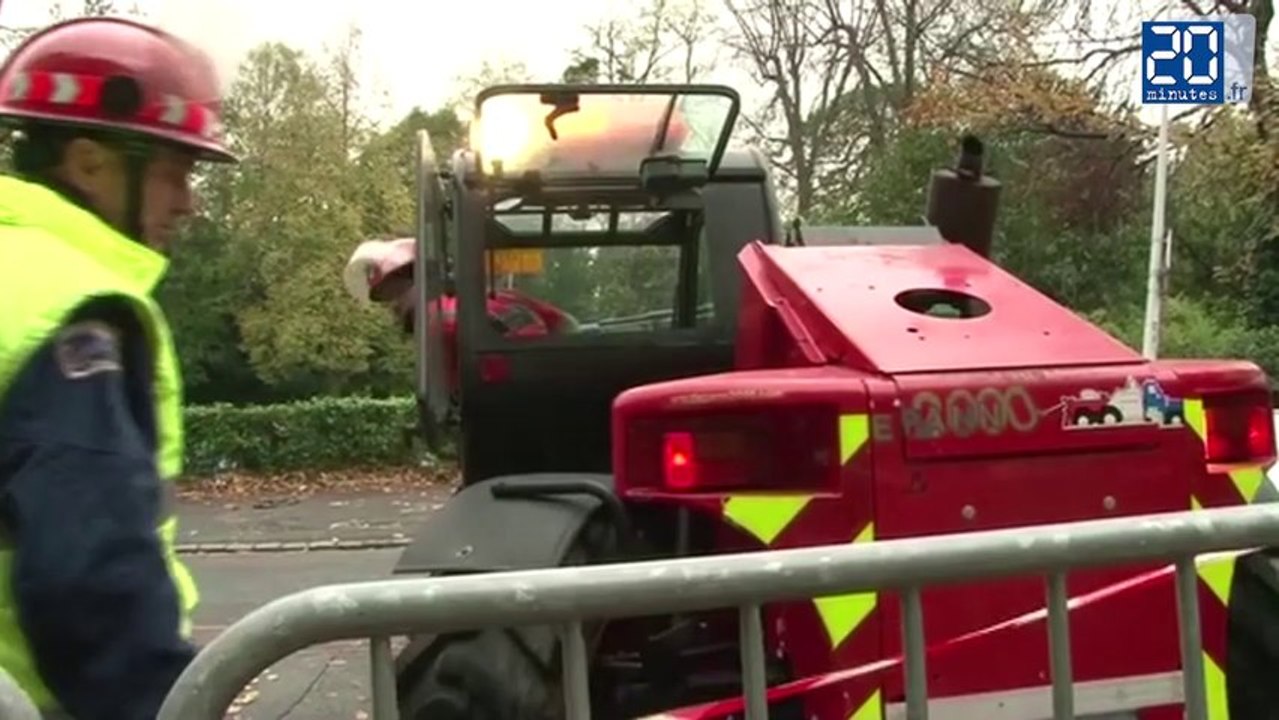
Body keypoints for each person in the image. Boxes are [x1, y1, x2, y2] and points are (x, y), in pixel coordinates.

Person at [0, 16, 236, 720]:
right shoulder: (72, 309)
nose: (189, 203)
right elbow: (91, 579)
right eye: (173, 171)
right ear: (90, 161)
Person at [344, 236, 578, 391]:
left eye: (393, 295)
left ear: (417, 279)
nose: (393, 307)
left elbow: (461, 393)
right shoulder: (505, 296)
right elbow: (568, 325)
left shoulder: (438, 321)